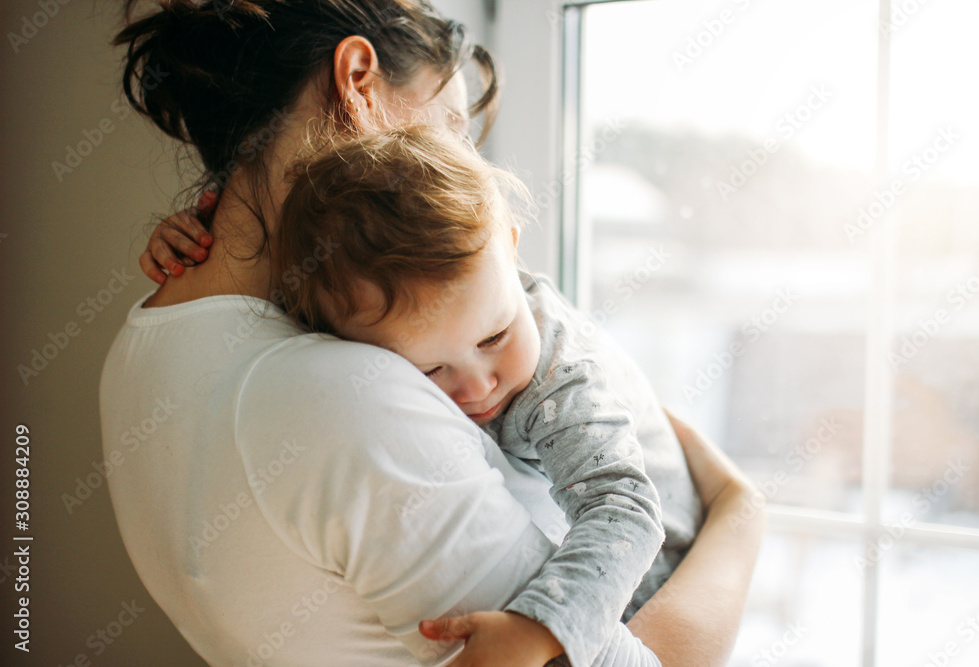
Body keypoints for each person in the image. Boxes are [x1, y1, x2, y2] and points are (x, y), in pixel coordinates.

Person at [103, 1, 765, 665]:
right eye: (452, 125)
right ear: (358, 83)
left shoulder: (144, 348)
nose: (460, 166)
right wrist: (740, 515)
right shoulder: (340, 392)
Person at [264, 124, 702, 666]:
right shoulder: (366, 318)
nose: (477, 386)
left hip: (657, 570)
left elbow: (626, 510)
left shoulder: (559, 380)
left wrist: (537, 626)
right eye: (428, 371)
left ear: (513, 254)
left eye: (494, 337)